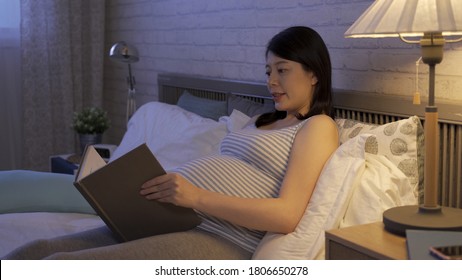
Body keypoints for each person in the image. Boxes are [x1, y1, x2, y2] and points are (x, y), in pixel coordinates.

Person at [4, 26, 338, 260]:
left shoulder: (317, 127)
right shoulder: (260, 120)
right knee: (37, 250)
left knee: (61, 266)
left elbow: (288, 215)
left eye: (282, 70)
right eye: (268, 71)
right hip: (170, 219)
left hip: (222, 239)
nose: (271, 81)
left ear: (314, 74)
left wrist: (195, 196)